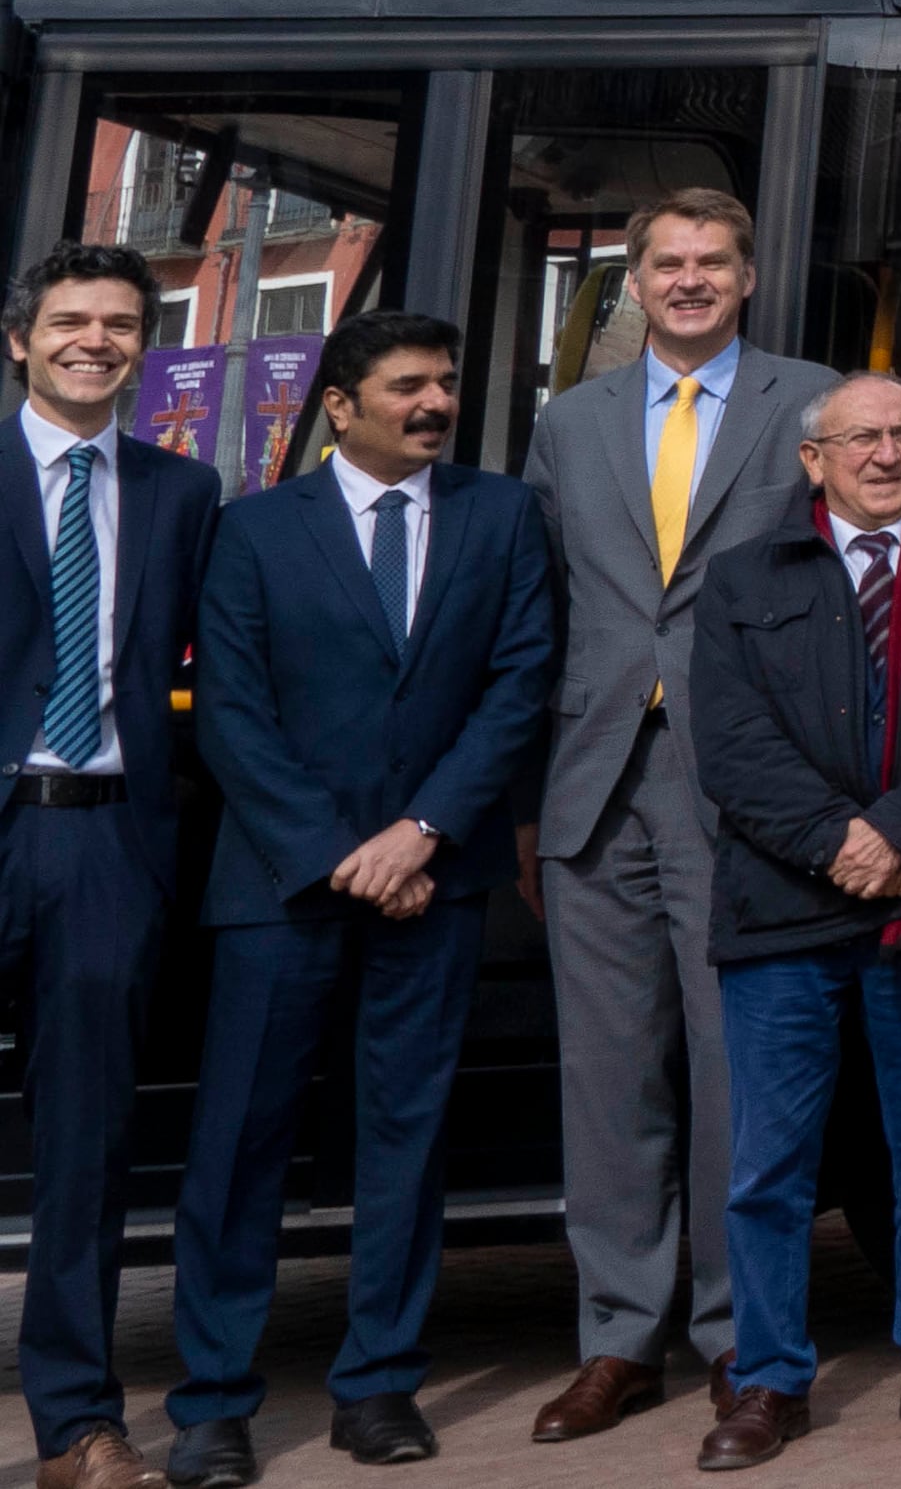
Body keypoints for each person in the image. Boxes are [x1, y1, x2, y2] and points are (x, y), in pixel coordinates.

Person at [163, 312, 558, 1484]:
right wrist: (342, 854)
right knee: (238, 1144)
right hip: (283, 886)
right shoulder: (252, 530)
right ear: (340, 404)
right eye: (407, 387)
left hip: (433, 881)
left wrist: (419, 833)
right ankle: (212, 1402)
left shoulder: (502, 515)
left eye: (444, 383)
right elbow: (231, 710)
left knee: (405, 1133)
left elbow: (518, 681)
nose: (434, 403)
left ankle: (380, 1385)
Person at [523, 189, 839, 1443]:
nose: (691, 280)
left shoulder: (809, 403)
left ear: (748, 278)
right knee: (607, 1082)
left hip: (748, 788)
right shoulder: (570, 423)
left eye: (714, 261)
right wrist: (519, 809)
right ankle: (616, 1339)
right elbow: (540, 610)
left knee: (737, 1077)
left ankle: (736, 1335)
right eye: (668, 263)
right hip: (592, 784)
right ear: (635, 283)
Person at [684, 376, 901, 1470]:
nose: (886, 453)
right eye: (861, 437)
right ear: (812, 460)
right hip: (783, 909)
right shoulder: (741, 578)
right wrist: (839, 841)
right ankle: (768, 1380)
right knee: (770, 1163)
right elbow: (731, 746)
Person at [0, 245, 219, 1489]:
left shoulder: (185, 493)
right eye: (73, 321)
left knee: (85, 1146)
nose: (98, 341)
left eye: (124, 324)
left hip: (104, 839)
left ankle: (79, 1428)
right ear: (20, 339)